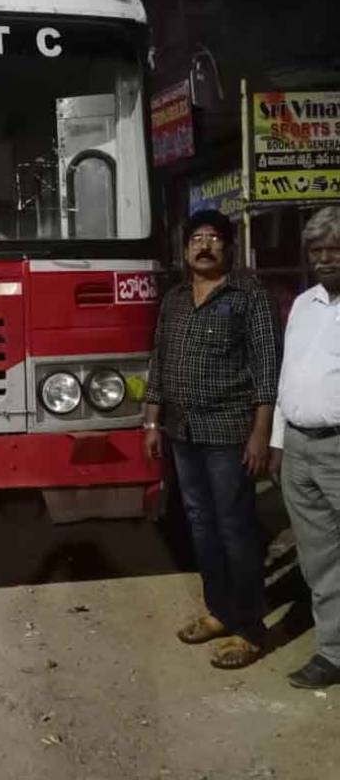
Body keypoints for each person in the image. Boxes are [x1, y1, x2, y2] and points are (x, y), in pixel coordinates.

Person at [144, 209, 280, 669]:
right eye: (196, 239)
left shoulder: (250, 296)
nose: (204, 246)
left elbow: (267, 370)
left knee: (235, 528)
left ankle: (249, 629)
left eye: (214, 238)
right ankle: (220, 611)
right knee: (200, 525)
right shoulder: (176, 299)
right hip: (181, 431)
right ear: (185, 250)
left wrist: (261, 433)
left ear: (229, 247)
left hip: (229, 432)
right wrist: (151, 421)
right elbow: (159, 362)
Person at [269, 206, 340, 689]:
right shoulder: (302, 305)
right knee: (320, 559)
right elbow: (287, 376)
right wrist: (279, 442)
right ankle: (333, 653)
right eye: (317, 250)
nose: (326, 259)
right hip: (298, 448)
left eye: (335, 249)